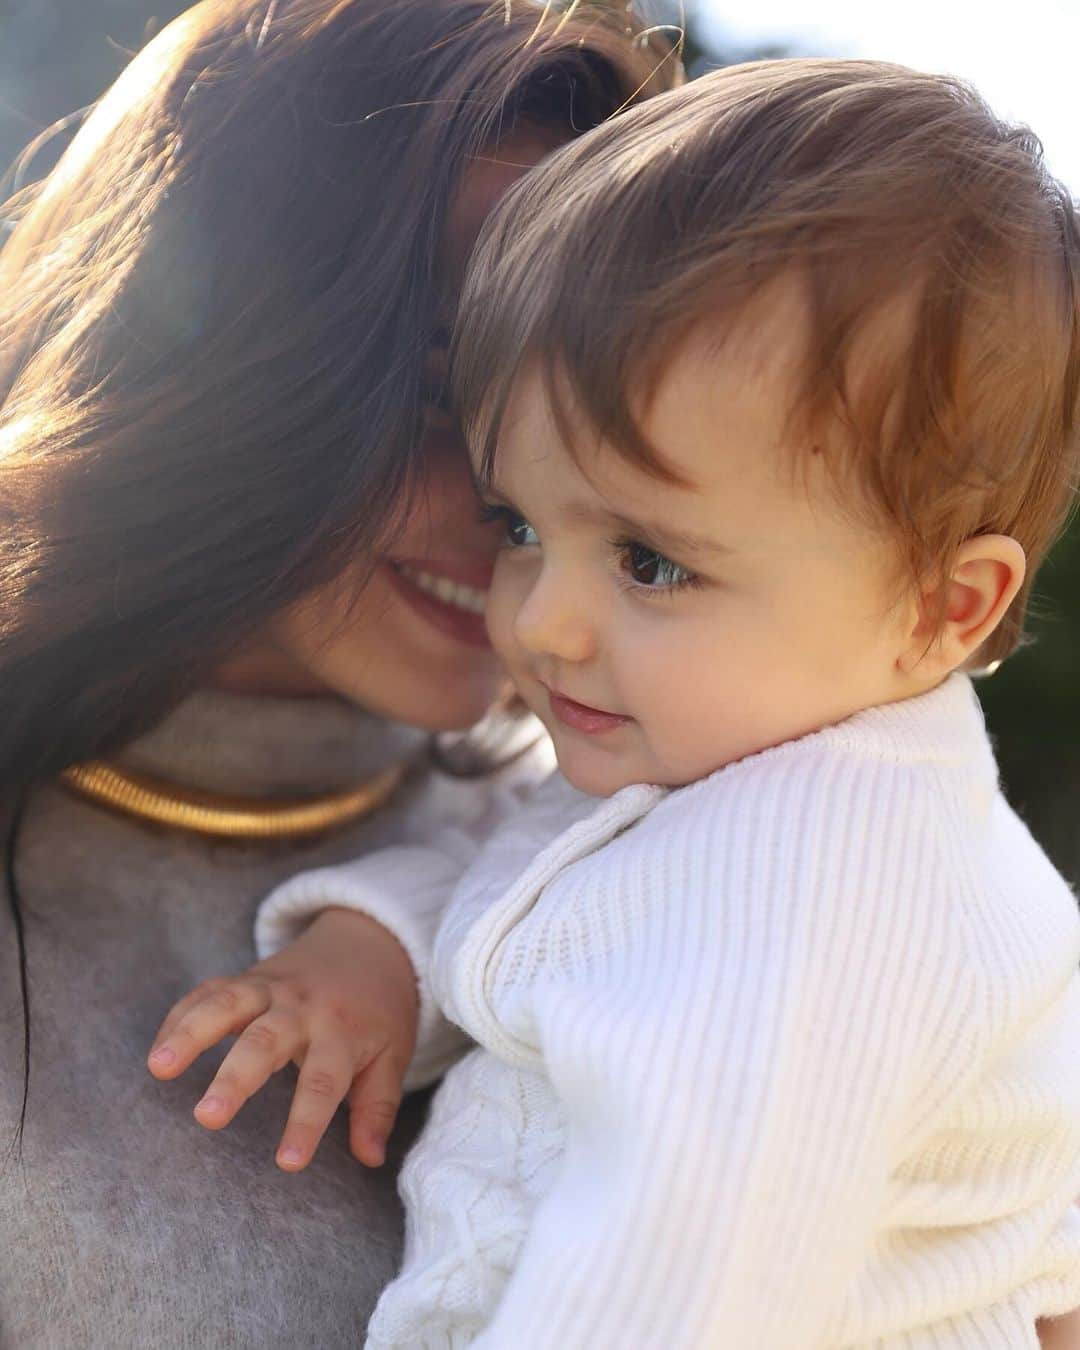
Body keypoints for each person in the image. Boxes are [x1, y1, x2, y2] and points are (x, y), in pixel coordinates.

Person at [155, 60, 1080, 1346]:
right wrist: (376, 957)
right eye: (519, 522)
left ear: (943, 606)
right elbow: (546, 885)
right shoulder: (729, 761)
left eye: (652, 562)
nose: (540, 618)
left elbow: (694, 1274)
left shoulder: (827, 878)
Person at [0, 1, 673, 1344]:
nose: (528, 506)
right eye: (443, 399)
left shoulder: (631, 867)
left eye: (594, 421)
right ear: (221, 359)